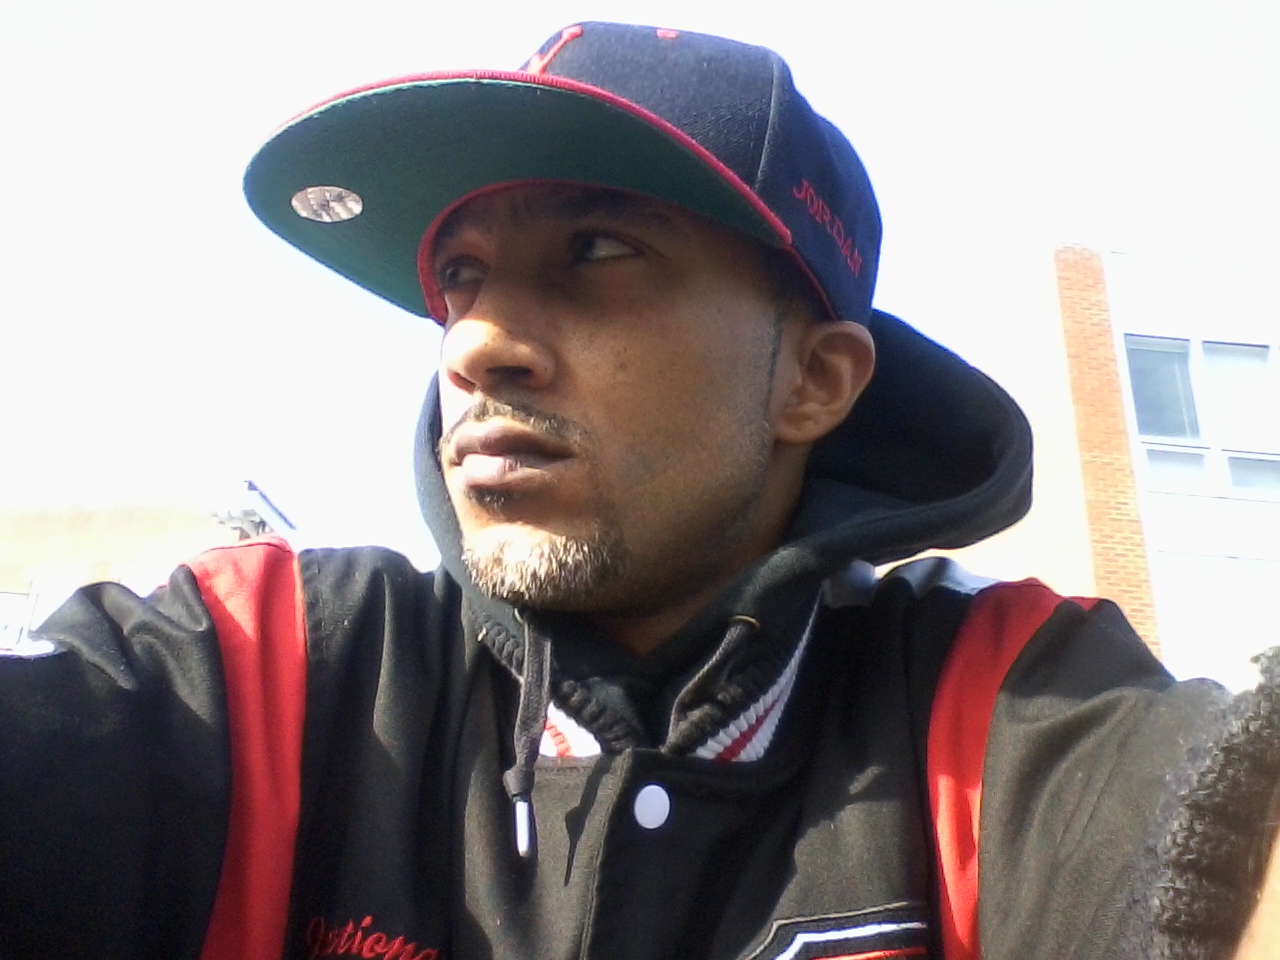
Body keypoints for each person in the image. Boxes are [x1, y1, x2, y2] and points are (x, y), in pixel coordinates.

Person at [0, 20, 1254, 960]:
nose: (473, 344)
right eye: (460, 276)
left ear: (813, 380)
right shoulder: (273, 666)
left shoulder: (996, 707)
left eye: (595, 251)